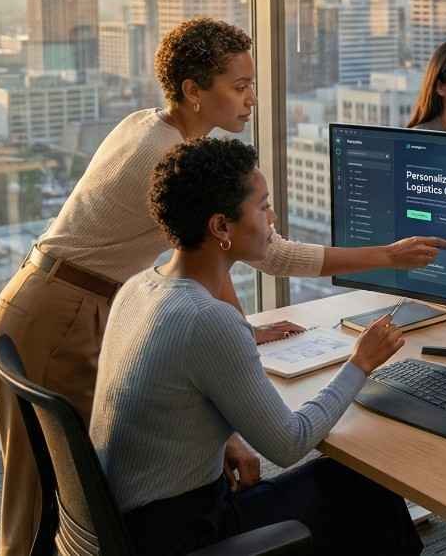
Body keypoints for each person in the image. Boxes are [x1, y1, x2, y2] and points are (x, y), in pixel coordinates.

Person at [0, 17, 446, 556]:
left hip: (56, 299)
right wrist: (384, 259)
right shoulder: (166, 158)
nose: (251, 99)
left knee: (87, 494)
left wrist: (234, 349)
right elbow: (263, 253)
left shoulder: (156, 135)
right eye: (240, 86)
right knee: (49, 500)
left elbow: (207, 261)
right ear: (193, 91)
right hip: (60, 312)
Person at [92, 138, 421, 555]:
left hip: (131, 522)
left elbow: (162, 404)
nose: (272, 218)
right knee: (368, 490)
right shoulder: (206, 319)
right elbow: (288, 444)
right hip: (183, 534)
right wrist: (362, 361)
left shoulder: (142, 286)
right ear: (221, 228)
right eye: (263, 206)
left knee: (344, 486)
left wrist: (227, 440)